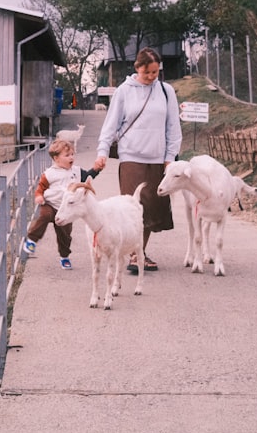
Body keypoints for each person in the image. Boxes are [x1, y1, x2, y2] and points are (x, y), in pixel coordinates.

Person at [94, 47, 182, 273]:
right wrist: (102, 151)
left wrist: (170, 158)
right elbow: (111, 125)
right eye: (147, 73)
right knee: (134, 206)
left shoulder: (166, 91)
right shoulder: (124, 91)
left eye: (156, 72)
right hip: (131, 156)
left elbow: (173, 126)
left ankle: (139, 251)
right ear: (137, 69)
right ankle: (134, 255)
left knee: (150, 209)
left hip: (157, 158)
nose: (152, 77)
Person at [23, 138, 101, 269]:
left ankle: (64, 256)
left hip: (66, 210)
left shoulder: (76, 171)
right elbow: (40, 188)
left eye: (72, 154)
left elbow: (88, 176)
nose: (72, 157)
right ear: (56, 158)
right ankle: (31, 240)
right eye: (67, 155)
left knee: (65, 235)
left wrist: (96, 169)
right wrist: (38, 196)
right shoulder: (49, 174)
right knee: (43, 216)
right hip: (51, 205)